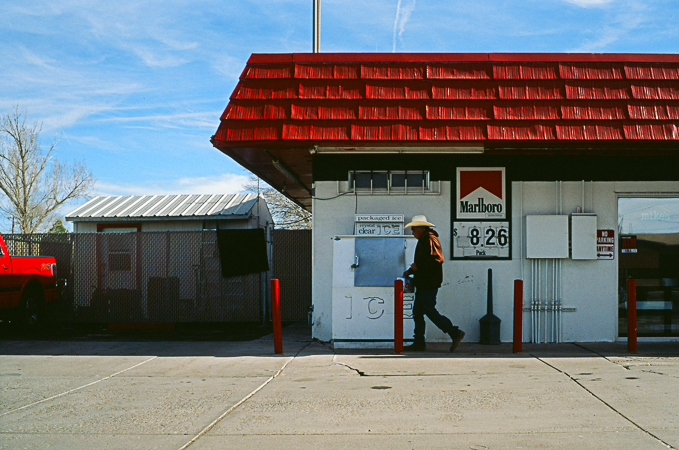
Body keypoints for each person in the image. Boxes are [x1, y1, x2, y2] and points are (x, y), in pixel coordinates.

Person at [402, 215, 465, 352]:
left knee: (429, 310)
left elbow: (437, 260)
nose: (412, 233)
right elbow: (422, 262)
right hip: (423, 283)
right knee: (417, 313)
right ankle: (419, 342)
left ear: (420, 228)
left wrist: (417, 267)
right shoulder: (424, 239)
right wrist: (410, 271)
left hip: (428, 283)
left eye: (413, 229)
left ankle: (454, 332)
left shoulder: (430, 239)